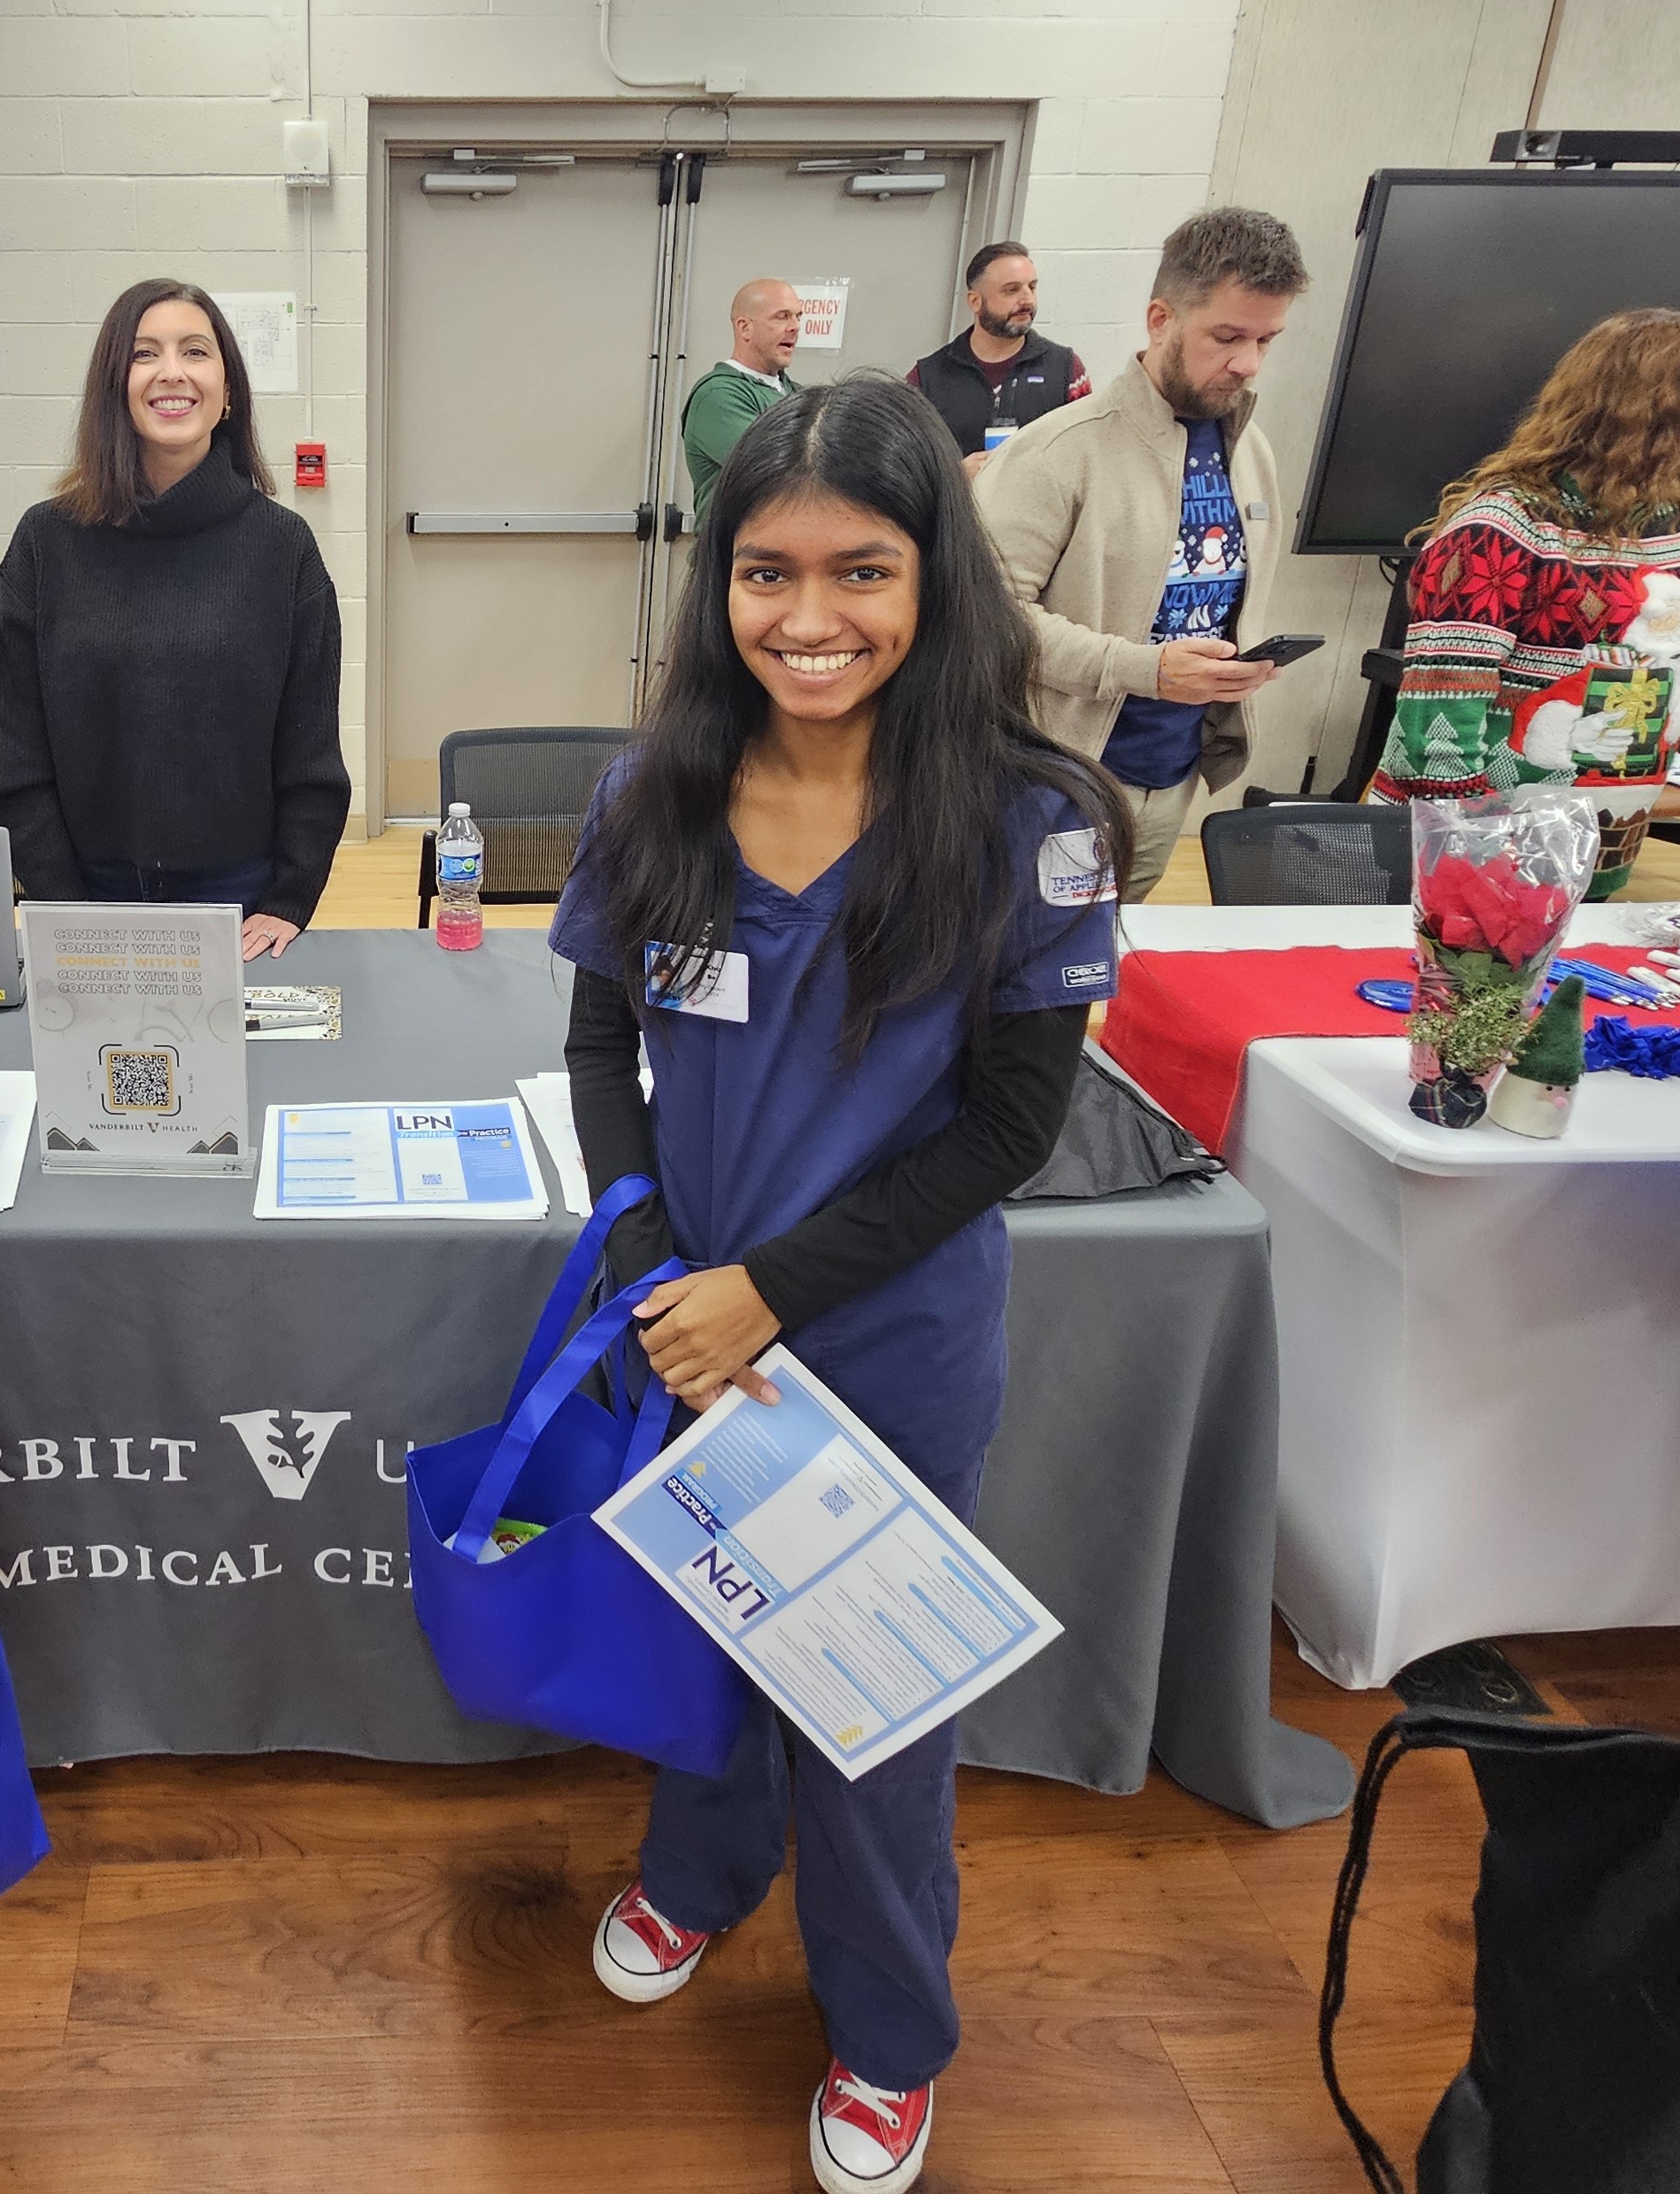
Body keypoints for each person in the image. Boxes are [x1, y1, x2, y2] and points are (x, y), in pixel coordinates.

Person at [555, 377, 1129, 2194]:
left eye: (859, 573)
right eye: (764, 572)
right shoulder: (655, 789)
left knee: (865, 1695)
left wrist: (767, 1295)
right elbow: (596, 1053)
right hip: (687, 1328)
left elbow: (1008, 1132)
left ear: (931, 579)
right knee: (708, 1628)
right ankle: (701, 1874)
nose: (807, 618)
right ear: (716, 584)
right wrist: (660, 1269)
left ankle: (887, 2036)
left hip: (881, 1338)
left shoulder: (1023, 820)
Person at [1374, 307, 1680, 897]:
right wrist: (1471, 864)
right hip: (1470, 865)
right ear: (1660, 415)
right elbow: (1439, 727)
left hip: (1601, 849)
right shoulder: (1501, 529)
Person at [0, 277, 347, 962]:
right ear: (114, 386)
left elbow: (310, 753)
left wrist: (290, 897)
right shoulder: (45, 543)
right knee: (104, 1076)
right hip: (84, 899)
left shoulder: (282, 547)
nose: (171, 372)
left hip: (239, 905)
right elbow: (13, 758)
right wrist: (67, 910)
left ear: (228, 388)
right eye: (145, 354)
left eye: (195, 352)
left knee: (240, 1077)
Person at [975, 205, 1306, 900]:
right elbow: (986, 620)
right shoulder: (1060, 451)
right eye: (1226, 336)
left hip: (1174, 775)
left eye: (1265, 341)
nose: (1246, 363)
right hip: (1056, 778)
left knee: (1107, 966)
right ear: (1161, 320)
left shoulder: (1251, 453)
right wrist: (1143, 669)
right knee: (1025, 983)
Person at [904, 242, 1087, 476]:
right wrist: (954, 477)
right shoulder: (926, 378)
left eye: (1032, 287)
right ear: (975, 301)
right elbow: (903, 469)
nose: (1027, 300)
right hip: (959, 510)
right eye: (1011, 290)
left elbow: (1087, 458)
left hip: (1035, 510)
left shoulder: (1066, 369)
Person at [681, 277, 805, 523]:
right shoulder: (718, 396)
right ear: (744, 327)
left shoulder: (797, 393)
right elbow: (779, 472)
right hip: (736, 555)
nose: (795, 327)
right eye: (781, 316)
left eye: (798, 316)